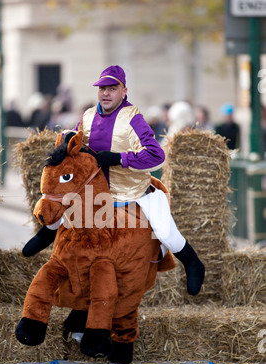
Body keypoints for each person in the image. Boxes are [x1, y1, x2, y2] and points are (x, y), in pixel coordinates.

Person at [23, 65, 205, 296]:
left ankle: (192, 262)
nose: (106, 93)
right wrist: (68, 137)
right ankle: (47, 232)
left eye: (112, 88)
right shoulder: (88, 116)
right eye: (102, 89)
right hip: (95, 192)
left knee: (165, 232)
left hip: (132, 193)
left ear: (124, 90)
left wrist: (120, 158)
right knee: (61, 205)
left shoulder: (133, 118)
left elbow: (157, 155)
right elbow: (76, 144)